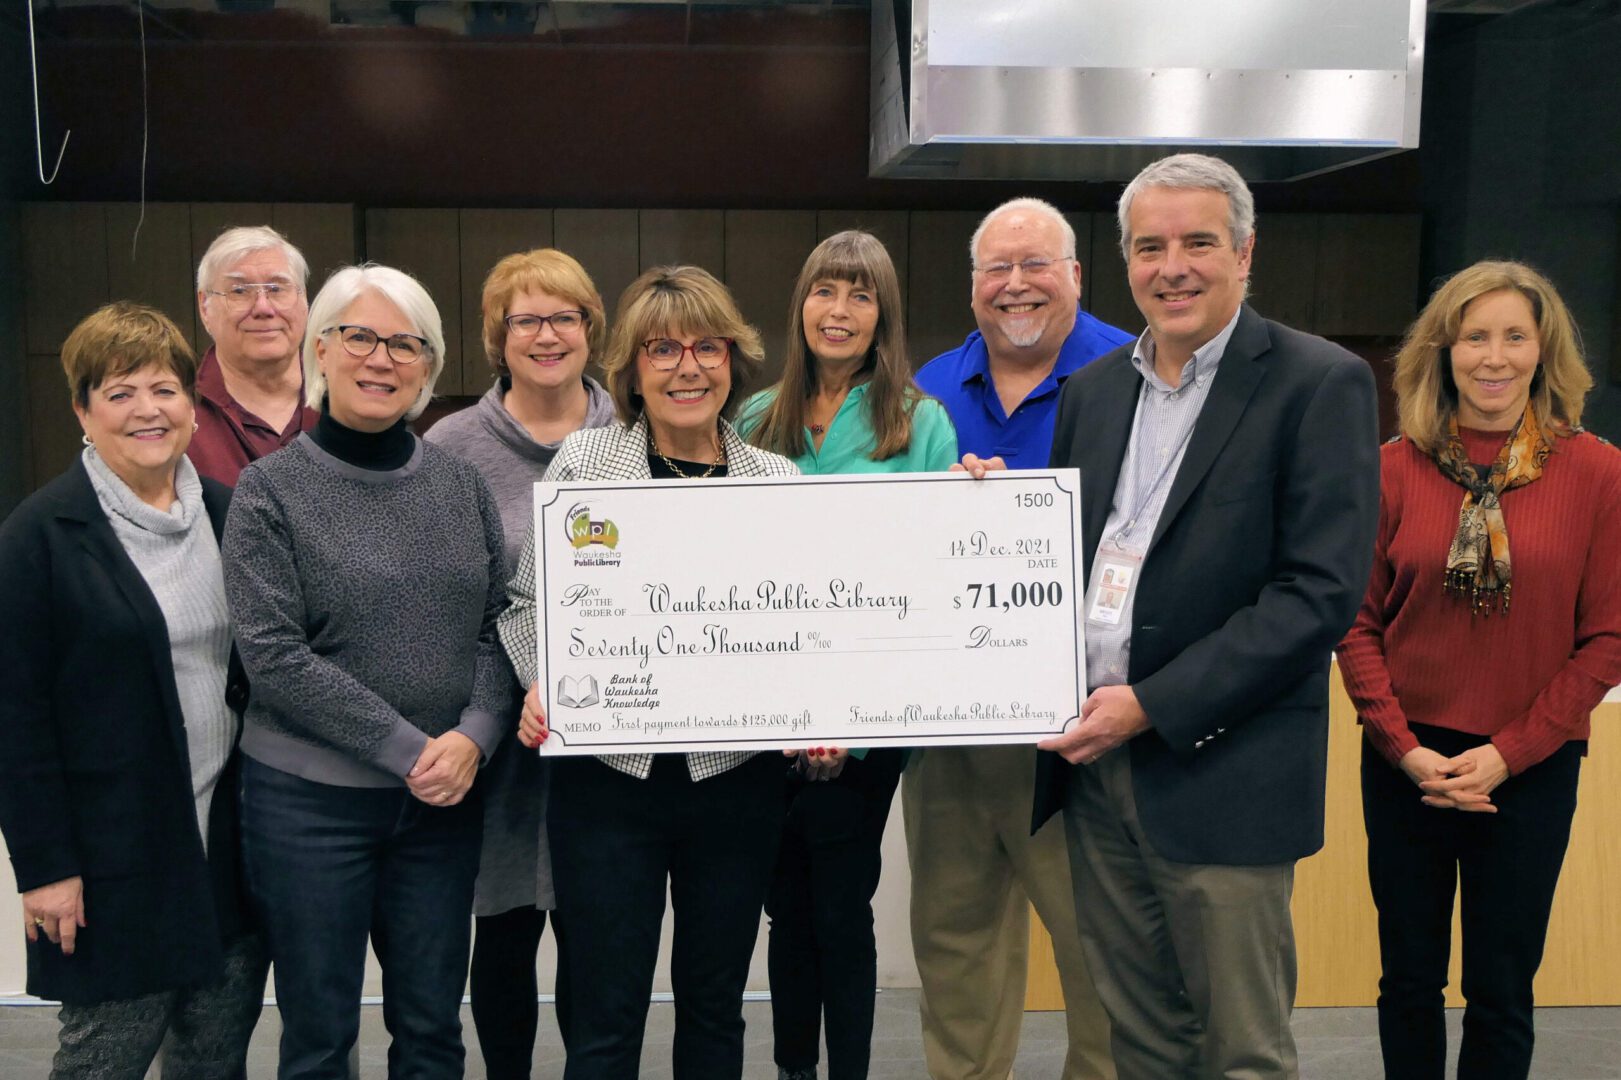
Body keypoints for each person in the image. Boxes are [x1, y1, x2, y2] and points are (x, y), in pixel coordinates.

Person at [1021, 152, 1380, 1079]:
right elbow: (1059, 561)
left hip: (1223, 772)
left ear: (1245, 252)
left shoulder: (1317, 383)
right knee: (1139, 1038)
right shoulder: (1092, 392)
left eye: (1196, 242)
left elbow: (1317, 594)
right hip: (1095, 774)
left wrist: (1151, 703)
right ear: (1123, 264)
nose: (1171, 266)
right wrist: (987, 525)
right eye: (1149, 246)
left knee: (1241, 1052)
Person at [499, 265, 798, 1080]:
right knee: (603, 1015)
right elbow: (525, 605)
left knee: (713, 1009)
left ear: (734, 361)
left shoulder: (780, 483)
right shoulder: (583, 466)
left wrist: (820, 712)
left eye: (707, 347)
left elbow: (808, 629)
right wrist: (541, 682)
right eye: (662, 349)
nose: (686, 367)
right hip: (607, 785)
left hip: (735, 784)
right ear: (630, 367)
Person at [223, 264, 511, 1080]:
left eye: (405, 344)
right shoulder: (269, 491)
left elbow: (498, 627)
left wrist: (475, 737)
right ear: (321, 349)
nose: (381, 359)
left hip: (443, 805)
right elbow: (272, 654)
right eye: (360, 337)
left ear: (428, 366)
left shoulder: (462, 487)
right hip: (307, 810)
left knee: (431, 1033)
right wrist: (406, 748)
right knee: (319, 1037)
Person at [1337, 260, 1621, 1079]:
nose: (1492, 358)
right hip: (1407, 765)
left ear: (1542, 351)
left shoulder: (1597, 472)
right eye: (1473, 337)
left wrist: (1509, 754)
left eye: (1512, 336)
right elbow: (1356, 624)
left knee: (1501, 988)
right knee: (1409, 981)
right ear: (1443, 349)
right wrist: (1403, 748)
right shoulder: (1390, 467)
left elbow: (1605, 638)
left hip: (1530, 766)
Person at [0, 302, 264, 1078]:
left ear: (192, 403)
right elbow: (15, 718)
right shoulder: (38, 538)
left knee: (213, 1062)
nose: (147, 410)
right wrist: (44, 868)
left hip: (226, 856)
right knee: (101, 1062)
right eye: (119, 393)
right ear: (82, 411)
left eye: (164, 389)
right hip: (112, 865)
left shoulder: (230, 514)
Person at [911, 197, 1129, 1080]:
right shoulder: (926, 388)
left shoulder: (1133, 373)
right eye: (995, 269)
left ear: (1075, 274)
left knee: (1099, 960)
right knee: (954, 948)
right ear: (971, 286)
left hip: (1080, 731)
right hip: (947, 728)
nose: (1014, 285)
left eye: (1035, 264)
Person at [736, 230, 957, 1080]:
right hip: (767, 721)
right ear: (800, 305)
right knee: (780, 910)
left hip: (867, 725)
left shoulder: (920, 422)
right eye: (826, 290)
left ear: (882, 316)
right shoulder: (756, 420)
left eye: (860, 295)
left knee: (839, 906)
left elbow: (936, 572)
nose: (839, 310)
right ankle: (795, 1068)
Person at [424, 248, 617, 1080]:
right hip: (495, 730)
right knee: (501, 929)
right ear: (495, 339)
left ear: (590, 330)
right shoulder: (448, 444)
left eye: (564, 317)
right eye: (525, 320)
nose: (546, 335)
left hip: (613, 730)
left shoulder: (637, 432)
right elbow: (439, 597)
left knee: (594, 931)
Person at [190, 225, 320, 485]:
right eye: (239, 291)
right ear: (205, 307)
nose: (263, 308)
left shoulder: (345, 402)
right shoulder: (180, 412)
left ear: (305, 300)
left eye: (277, 288)